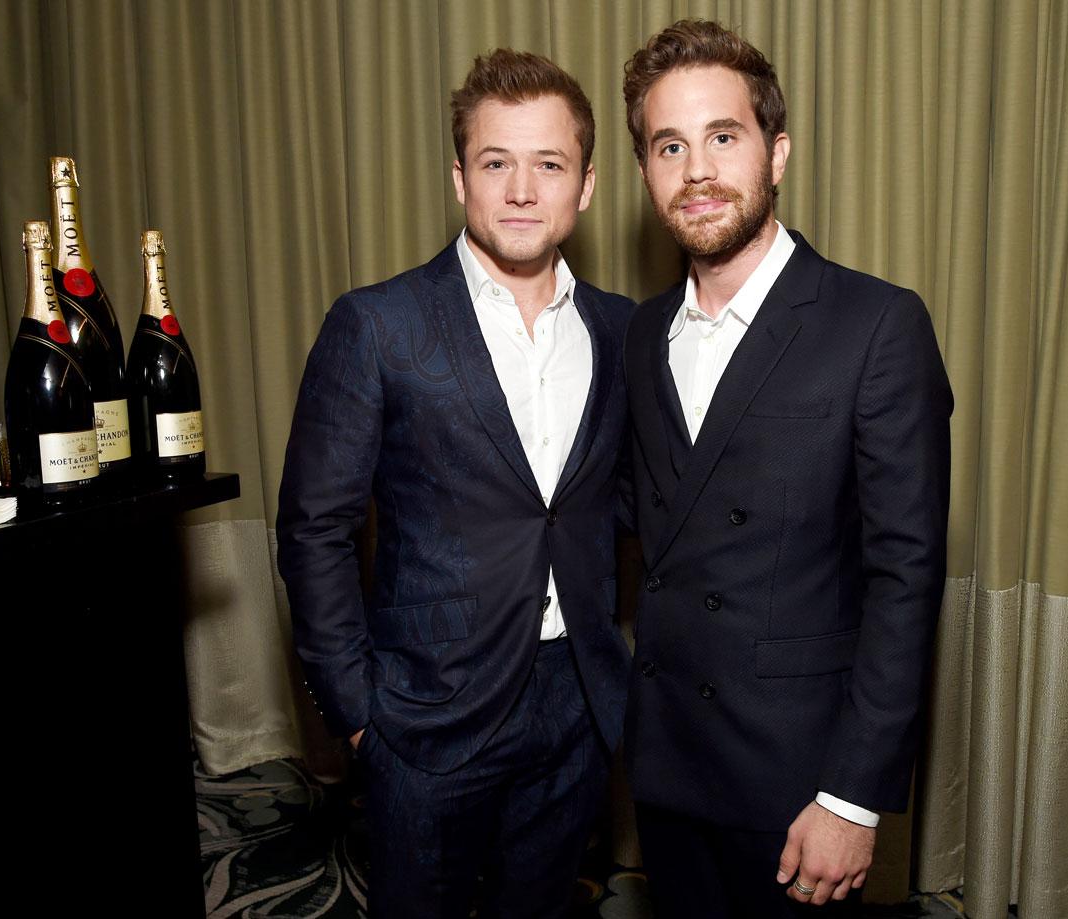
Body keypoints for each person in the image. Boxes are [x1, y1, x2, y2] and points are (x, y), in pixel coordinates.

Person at [276, 48, 634, 919]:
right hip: (424, 710)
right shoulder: (377, 325)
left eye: (548, 164)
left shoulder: (623, 331)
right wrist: (359, 709)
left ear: (585, 186)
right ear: (459, 178)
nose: (521, 188)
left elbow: (622, 504)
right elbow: (312, 526)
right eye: (495, 162)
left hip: (575, 703)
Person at [619, 19, 953, 916]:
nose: (697, 170)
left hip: (799, 779)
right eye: (669, 145)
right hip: (667, 760)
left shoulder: (877, 325)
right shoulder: (643, 335)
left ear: (777, 152)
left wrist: (853, 794)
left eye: (723, 138)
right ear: (645, 171)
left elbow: (906, 575)